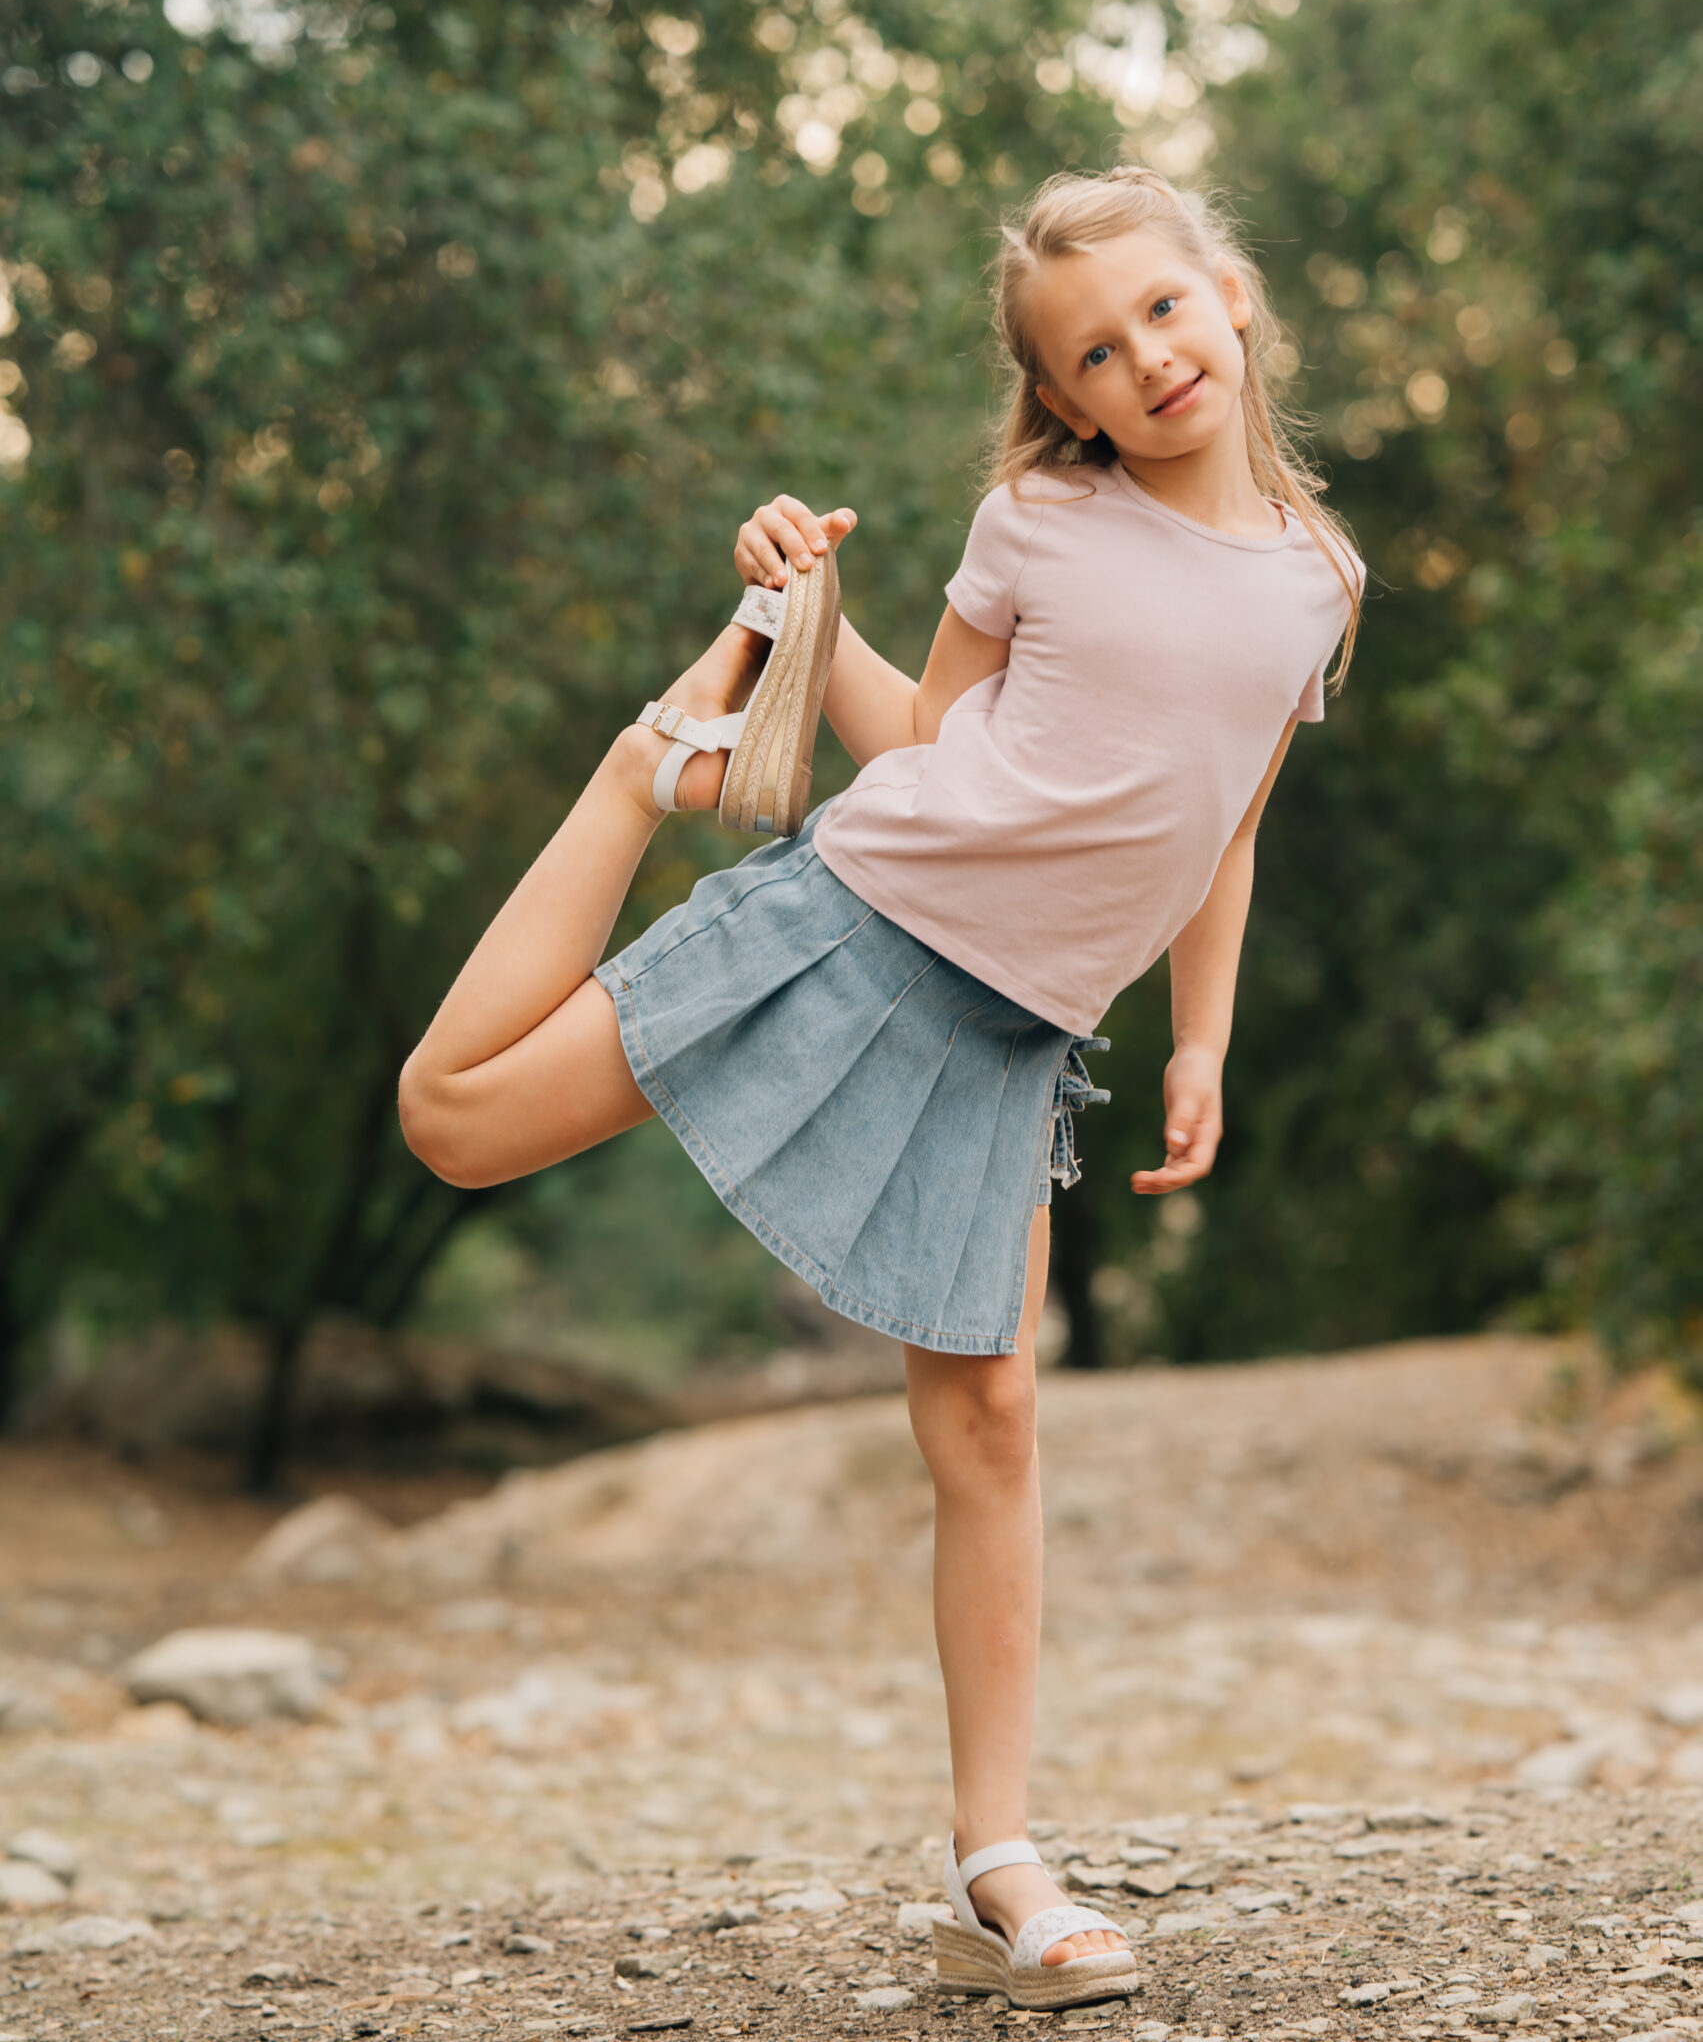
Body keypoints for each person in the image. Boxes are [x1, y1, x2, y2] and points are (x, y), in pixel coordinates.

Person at [399, 165, 1363, 2011]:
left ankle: (1000, 1861)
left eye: (1163, 308)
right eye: (1095, 349)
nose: (1144, 356)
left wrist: (1206, 1036)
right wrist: (807, 615)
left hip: (1015, 1040)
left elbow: (1228, 822)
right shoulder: (1038, 524)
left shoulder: (1321, 583)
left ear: (1230, 297)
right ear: (1065, 399)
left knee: (991, 1431)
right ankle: (631, 779)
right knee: (455, 1128)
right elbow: (932, 743)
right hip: (852, 927)